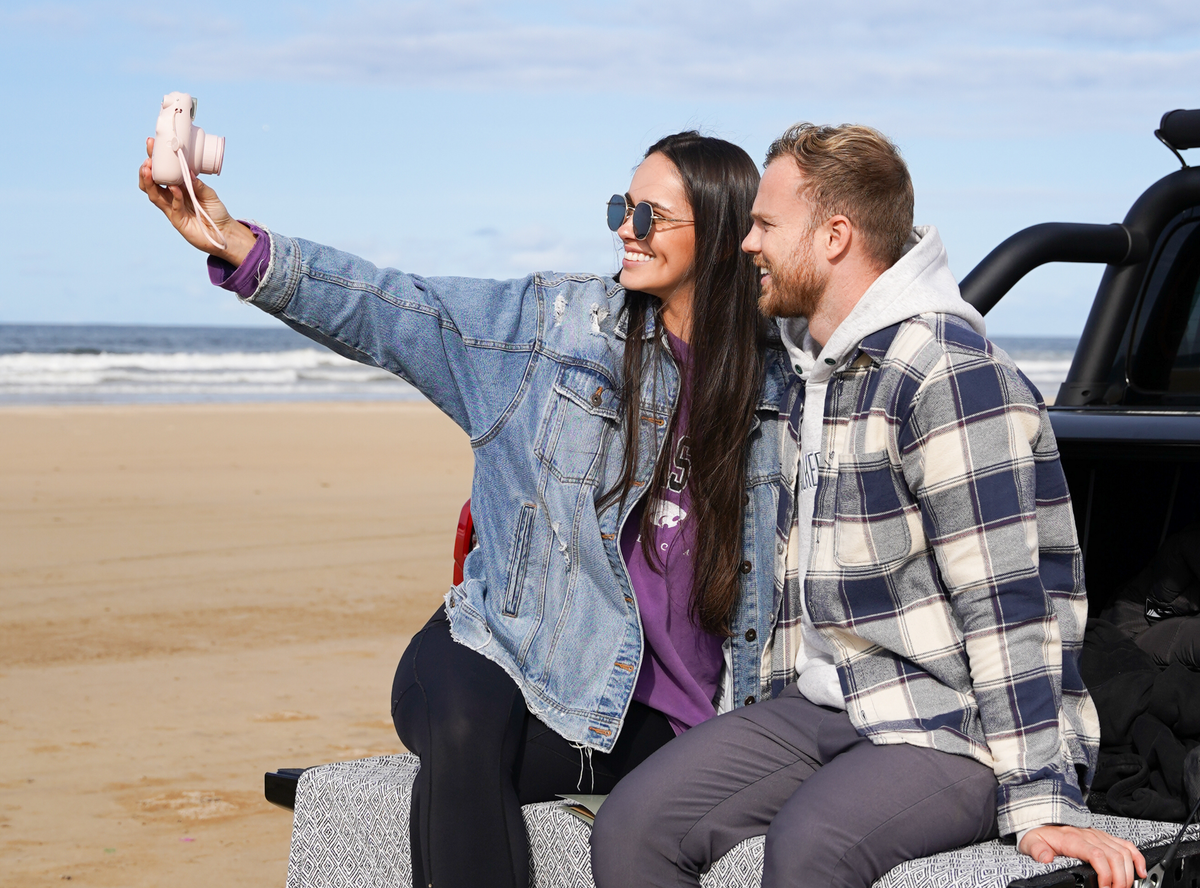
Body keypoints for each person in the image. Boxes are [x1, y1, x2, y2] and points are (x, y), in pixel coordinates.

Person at [138, 130, 792, 888]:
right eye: (623, 207)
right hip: (508, 649)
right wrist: (240, 245)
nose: (624, 228)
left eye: (649, 216)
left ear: (716, 236)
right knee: (461, 730)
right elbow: (398, 312)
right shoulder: (554, 328)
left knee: (461, 781)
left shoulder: (782, 384)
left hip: (662, 716)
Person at [590, 123, 1149, 888]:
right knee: (632, 826)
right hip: (828, 703)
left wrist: (1041, 798)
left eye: (764, 224)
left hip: (951, 727)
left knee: (811, 846)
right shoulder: (812, 370)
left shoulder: (945, 376)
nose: (746, 243)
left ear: (835, 236)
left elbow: (1008, 601)